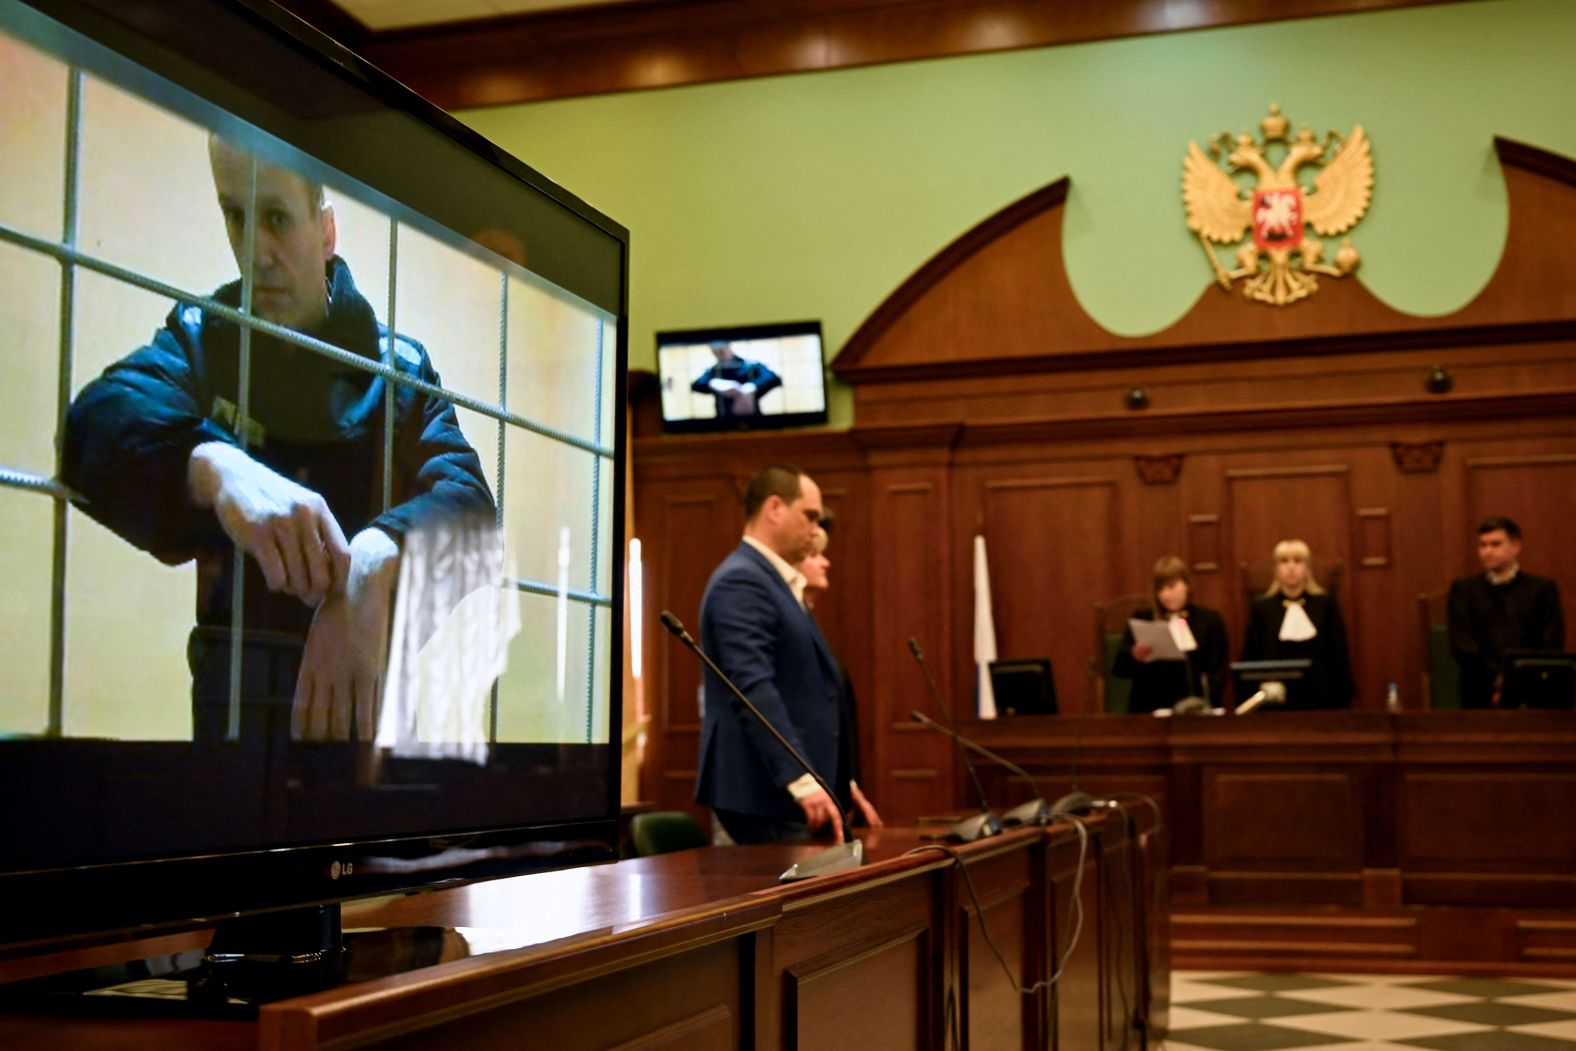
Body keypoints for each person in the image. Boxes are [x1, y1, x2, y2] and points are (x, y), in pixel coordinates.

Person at [62, 138, 493, 743]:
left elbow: (474, 510)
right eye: (234, 215)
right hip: (233, 723)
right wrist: (215, 466)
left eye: (276, 218)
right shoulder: (202, 337)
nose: (255, 251)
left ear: (325, 231)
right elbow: (94, 426)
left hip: (367, 726)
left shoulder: (400, 368)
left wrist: (374, 561)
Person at [694, 463, 847, 844]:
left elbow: (812, 692)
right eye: (809, 516)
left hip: (792, 795)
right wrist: (800, 780)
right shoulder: (742, 581)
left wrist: (842, 780)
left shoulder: (773, 580)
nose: (816, 530)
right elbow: (752, 687)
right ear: (775, 508)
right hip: (768, 795)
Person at [796, 513, 882, 831]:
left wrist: (845, 784)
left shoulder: (809, 624)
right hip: (797, 804)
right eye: (814, 555)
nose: (825, 563)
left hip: (826, 795)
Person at [1447, 516, 1565, 708]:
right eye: (1482, 545)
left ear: (1516, 546)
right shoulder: (1464, 590)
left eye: (1495, 544)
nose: (1487, 551)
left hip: (1532, 688)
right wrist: (1496, 679)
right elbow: (1462, 645)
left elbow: (1551, 643)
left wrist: (1513, 677)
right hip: (1479, 690)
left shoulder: (1541, 590)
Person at [1241, 539, 1354, 710]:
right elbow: (1252, 654)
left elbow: (1338, 653)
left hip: (1322, 697)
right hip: (1275, 699)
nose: (1291, 567)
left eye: (1298, 561)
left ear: (1308, 569)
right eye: (1284, 561)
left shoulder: (1325, 604)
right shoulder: (1261, 607)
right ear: (1276, 570)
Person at [1111, 555, 1229, 714]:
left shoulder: (1209, 621)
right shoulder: (1142, 619)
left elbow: (1218, 672)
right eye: (1160, 589)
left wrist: (1204, 705)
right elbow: (1119, 668)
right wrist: (1134, 655)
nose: (1165, 595)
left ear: (1187, 584)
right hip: (1149, 708)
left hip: (1194, 710)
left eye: (1171, 586)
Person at [690, 340, 780, 418]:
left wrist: (751, 387)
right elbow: (695, 385)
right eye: (715, 352)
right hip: (723, 423)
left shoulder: (750, 365)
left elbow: (774, 378)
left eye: (721, 350)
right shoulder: (713, 371)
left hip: (753, 420)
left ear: (728, 345)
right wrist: (713, 383)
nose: (719, 354)